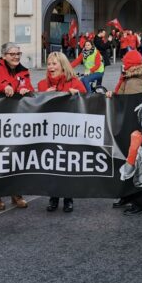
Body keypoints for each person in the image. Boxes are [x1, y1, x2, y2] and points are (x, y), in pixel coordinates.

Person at [0, 42, 31, 210]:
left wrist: (26, 90)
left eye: (18, 53)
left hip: (16, 122)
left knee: (16, 157)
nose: (16, 56)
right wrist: (3, 86)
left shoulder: (23, 71)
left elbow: (29, 88)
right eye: (12, 54)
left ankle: (16, 194)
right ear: (4, 56)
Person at [109, 50, 142, 215]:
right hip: (132, 129)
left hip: (132, 128)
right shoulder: (131, 79)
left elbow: (128, 106)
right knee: (129, 162)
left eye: (124, 62)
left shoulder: (134, 82)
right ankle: (128, 196)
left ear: (129, 65)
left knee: (135, 164)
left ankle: (139, 202)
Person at [37, 52, 86, 213]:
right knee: (52, 164)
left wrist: (77, 95)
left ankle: (68, 198)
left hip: (69, 131)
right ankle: (53, 197)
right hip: (49, 131)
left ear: (62, 65)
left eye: (54, 64)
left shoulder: (74, 82)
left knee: (67, 165)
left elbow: (87, 101)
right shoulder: (43, 84)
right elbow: (35, 105)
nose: (50, 67)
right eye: (49, 64)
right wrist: (44, 96)